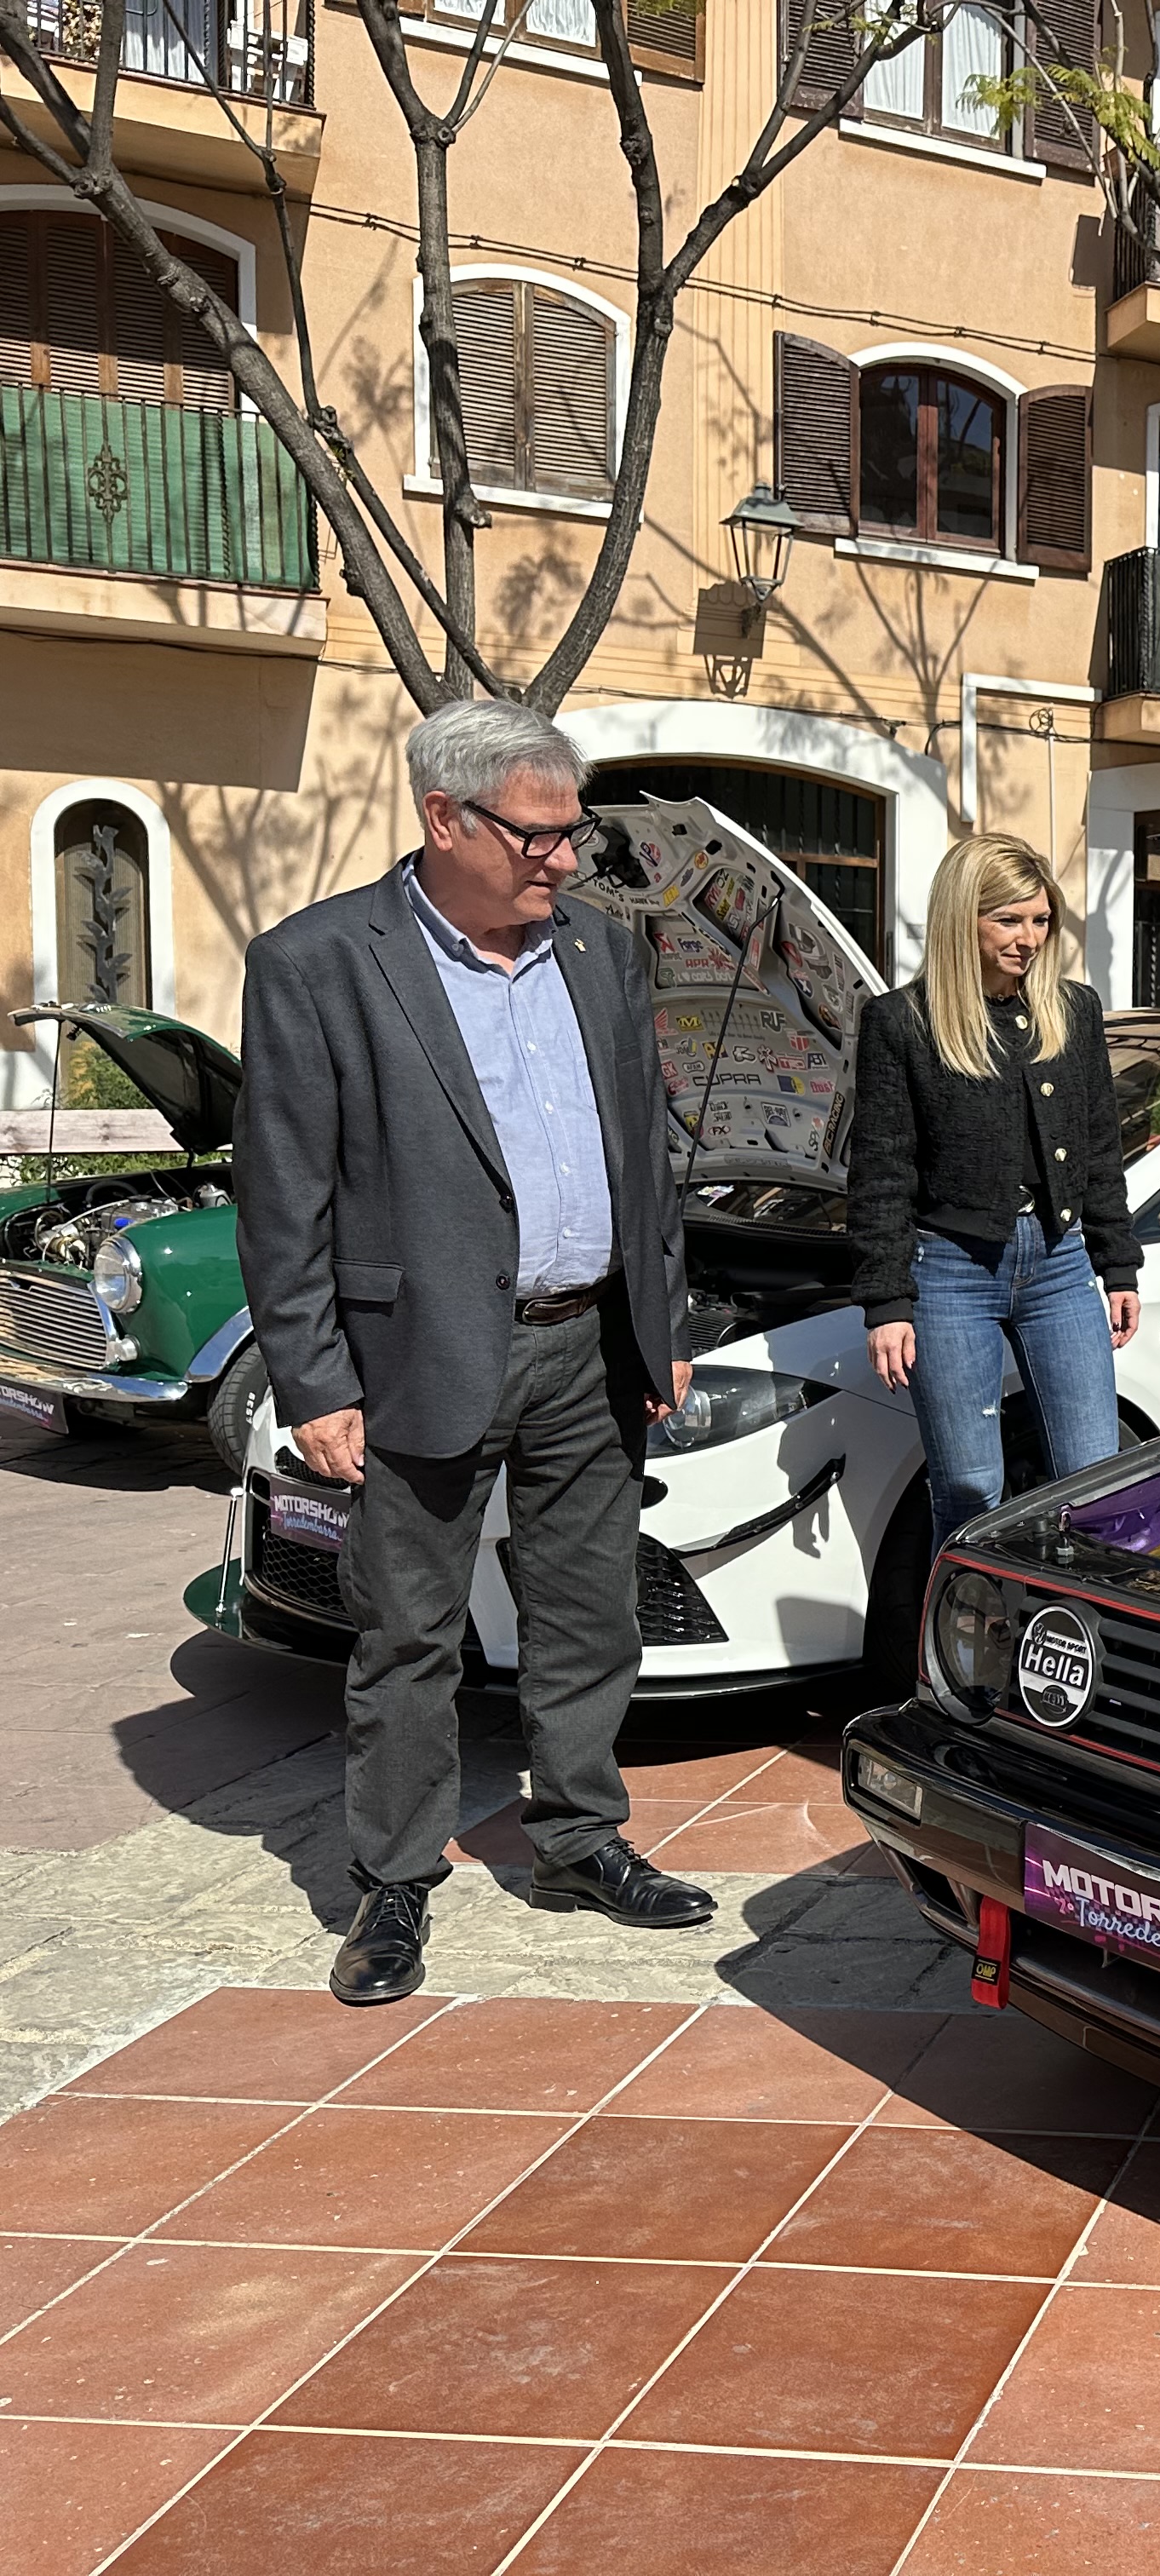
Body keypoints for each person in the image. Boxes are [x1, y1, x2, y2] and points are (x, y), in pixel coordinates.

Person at [238, 699, 711, 2008]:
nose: (564, 859)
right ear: (443, 818)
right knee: (409, 1635)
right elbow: (283, 1194)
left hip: (590, 1347)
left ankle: (577, 1835)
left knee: (589, 1612)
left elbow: (647, 1159)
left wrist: (661, 1324)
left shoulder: (604, 957)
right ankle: (393, 1881)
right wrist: (315, 1378)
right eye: (539, 834)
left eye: (575, 832)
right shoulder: (320, 962)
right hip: (419, 1355)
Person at [849, 833, 1140, 1561]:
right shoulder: (903, 1023)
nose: (1029, 938)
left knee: (1093, 1477)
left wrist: (1118, 1262)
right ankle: (969, 1646)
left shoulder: (1072, 1011)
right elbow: (881, 1169)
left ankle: (1082, 1638)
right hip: (949, 1273)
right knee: (972, 1485)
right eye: (1009, 920)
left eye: (1040, 920)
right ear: (962, 920)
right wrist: (886, 1302)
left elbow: (1099, 1148)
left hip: (1061, 1266)